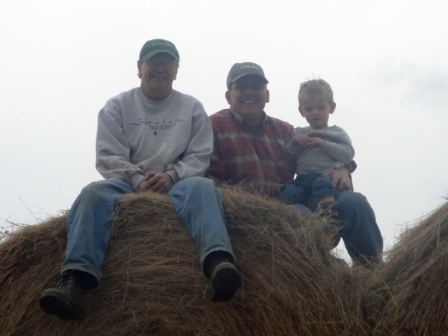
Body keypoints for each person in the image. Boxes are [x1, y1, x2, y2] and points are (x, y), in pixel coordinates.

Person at [39, 39, 241, 320]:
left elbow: (199, 155)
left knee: (204, 187)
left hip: (178, 182)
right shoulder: (117, 106)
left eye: (167, 63)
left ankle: (219, 261)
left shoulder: (192, 107)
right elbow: (108, 155)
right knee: (92, 194)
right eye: (153, 62)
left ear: (176, 70)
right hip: (127, 181)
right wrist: (136, 178)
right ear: (139, 67)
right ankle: (75, 281)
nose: (160, 68)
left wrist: (172, 176)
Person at [207, 62, 383, 268]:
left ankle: (376, 278)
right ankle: (328, 271)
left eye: (256, 86)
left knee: (355, 202)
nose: (250, 92)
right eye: (241, 87)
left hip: (298, 203)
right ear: (229, 96)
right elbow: (210, 181)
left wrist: (344, 168)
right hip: (250, 218)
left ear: (267, 94)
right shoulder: (213, 126)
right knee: (303, 218)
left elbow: (319, 156)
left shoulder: (286, 131)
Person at [281, 79, 355, 215]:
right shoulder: (298, 132)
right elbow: (290, 154)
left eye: (320, 108)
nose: (315, 112)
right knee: (290, 190)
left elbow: (348, 154)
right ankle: (291, 215)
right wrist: (295, 143)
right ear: (301, 111)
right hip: (303, 177)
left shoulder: (337, 133)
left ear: (331, 108)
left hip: (325, 174)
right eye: (309, 109)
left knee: (323, 186)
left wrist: (324, 144)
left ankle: (327, 209)